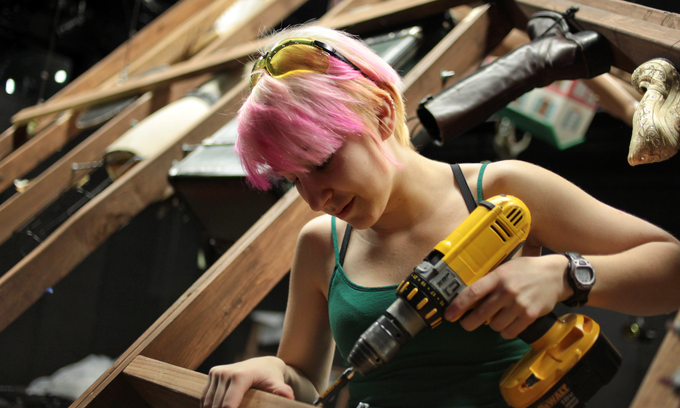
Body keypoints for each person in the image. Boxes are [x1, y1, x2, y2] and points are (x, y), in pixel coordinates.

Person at [200, 25, 680, 408]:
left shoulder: (503, 190)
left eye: (322, 161)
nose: (313, 197)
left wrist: (564, 274)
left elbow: (671, 267)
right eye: (293, 178)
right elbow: (309, 382)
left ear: (383, 114)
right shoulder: (322, 243)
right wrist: (275, 373)